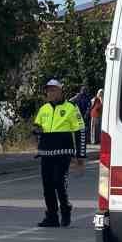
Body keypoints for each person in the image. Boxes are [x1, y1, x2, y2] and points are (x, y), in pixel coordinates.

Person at [32, 79, 82, 227]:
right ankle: (52, 216)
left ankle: (65, 210)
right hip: (46, 152)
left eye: (54, 90)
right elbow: (37, 126)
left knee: (59, 183)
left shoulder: (71, 108)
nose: (50, 92)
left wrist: (80, 156)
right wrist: (36, 130)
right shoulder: (44, 109)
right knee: (47, 185)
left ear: (61, 91)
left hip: (63, 152)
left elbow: (80, 131)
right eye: (48, 90)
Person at [69, 83, 95, 158]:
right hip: (78, 120)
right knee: (78, 137)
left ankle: (81, 153)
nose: (84, 91)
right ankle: (79, 153)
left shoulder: (87, 98)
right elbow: (69, 102)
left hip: (84, 120)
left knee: (82, 137)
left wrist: (87, 115)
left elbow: (89, 107)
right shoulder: (78, 97)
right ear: (81, 90)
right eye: (83, 90)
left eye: (85, 90)